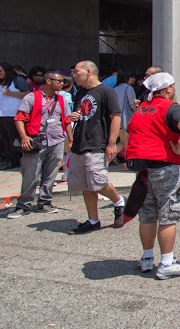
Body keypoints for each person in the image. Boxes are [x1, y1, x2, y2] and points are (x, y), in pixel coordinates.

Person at [125, 72, 180, 279]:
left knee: (147, 213)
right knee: (168, 213)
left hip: (144, 168)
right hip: (166, 164)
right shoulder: (171, 107)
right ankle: (166, 262)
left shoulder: (141, 110)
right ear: (168, 89)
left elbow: (129, 131)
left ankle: (147, 258)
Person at [67, 61, 126, 235]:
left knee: (98, 181)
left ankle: (118, 201)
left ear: (88, 71)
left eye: (76, 71)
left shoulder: (106, 92)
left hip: (96, 143)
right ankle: (93, 219)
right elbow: (82, 113)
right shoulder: (81, 93)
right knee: (86, 183)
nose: (73, 75)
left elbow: (115, 117)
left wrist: (111, 143)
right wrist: (74, 117)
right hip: (80, 143)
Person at [8, 70, 72, 218]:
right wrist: (24, 137)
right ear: (48, 81)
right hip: (36, 141)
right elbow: (19, 118)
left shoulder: (61, 100)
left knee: (50, 175)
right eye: (59, 81)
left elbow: (67, 121)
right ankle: (24, 205)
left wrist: (70, 140)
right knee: (31, 174)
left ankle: (45, 202)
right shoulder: (32, 97)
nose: (62, 83)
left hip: (56, 140)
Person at [0, 61, 31, 170]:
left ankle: (14, 160)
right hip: (2, 115)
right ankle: (8, 159)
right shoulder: (1, 82)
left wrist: (10, 93)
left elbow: (28, 94)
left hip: (13, 115)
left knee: (13, 139)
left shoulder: (17, 80)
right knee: (5, 139)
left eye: (0, 71)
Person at [114, 71, 137, 157]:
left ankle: (106, 159)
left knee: (123, 142)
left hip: (118, 118)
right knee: (127, 143)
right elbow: (132, 104)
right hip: (127, 119)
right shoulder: (129, 88)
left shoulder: (115, 88)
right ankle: (128, 163)